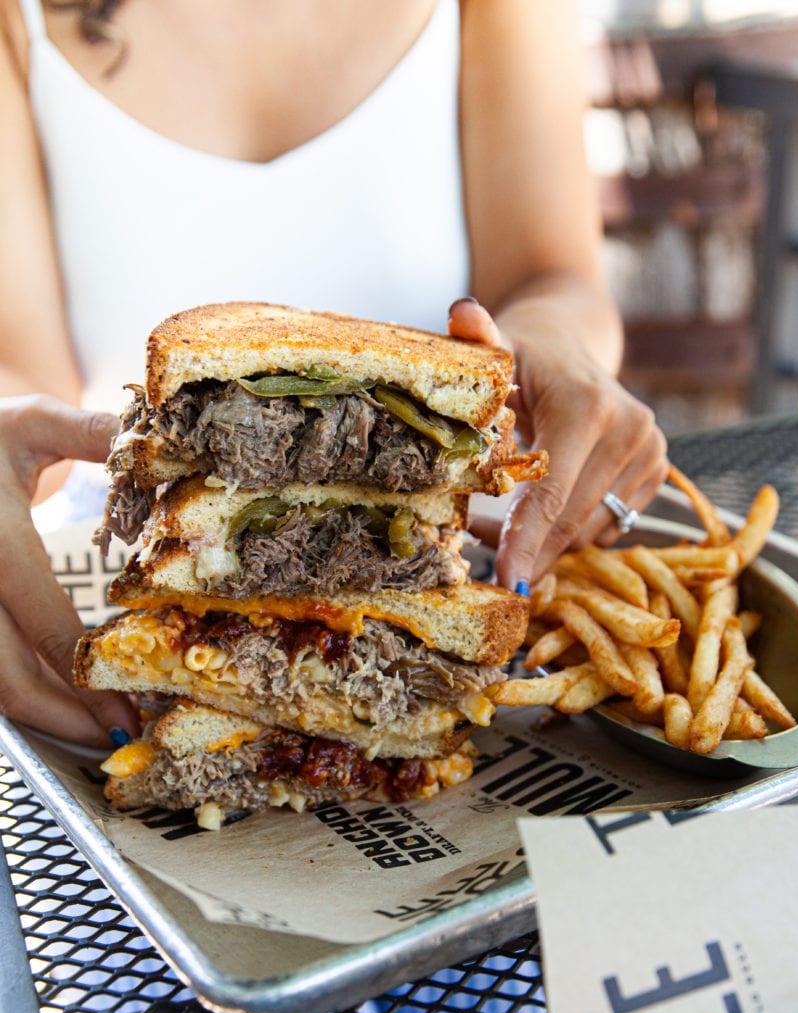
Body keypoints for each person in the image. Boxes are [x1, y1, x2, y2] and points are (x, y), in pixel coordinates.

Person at [0, 0, 668, 747]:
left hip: (447, 550)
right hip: (119, 564)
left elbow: (554, 277)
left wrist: (556, 347)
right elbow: (20, 371)